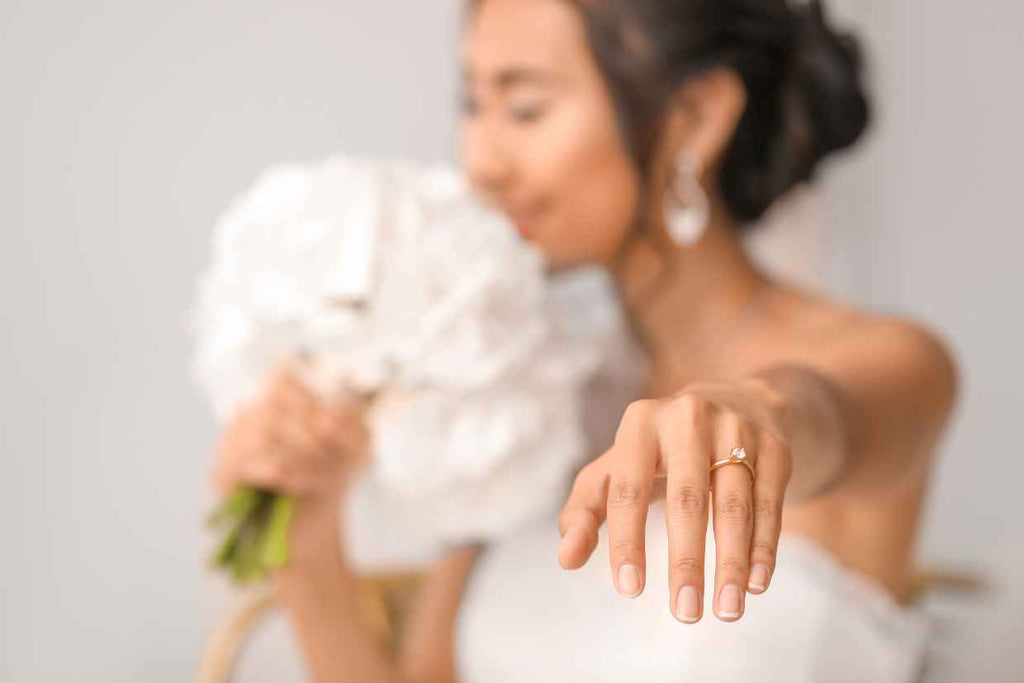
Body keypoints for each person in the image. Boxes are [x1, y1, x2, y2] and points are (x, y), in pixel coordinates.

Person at [209, 0, 959, 680]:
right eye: (473, 104)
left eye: (526, 107)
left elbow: (828, 420)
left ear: (694, 116)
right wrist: (307, 537)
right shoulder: (523, 402)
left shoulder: (892, 361)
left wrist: (759, 420)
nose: (483, 162)